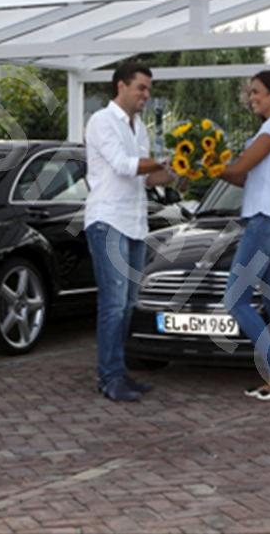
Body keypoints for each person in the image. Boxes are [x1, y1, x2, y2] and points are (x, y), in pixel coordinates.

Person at [84, 61, 176, 403]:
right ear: (121, 86)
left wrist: (178, 171)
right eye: (141, 88)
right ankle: (108, 376)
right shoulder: (101, 122)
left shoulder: (140, 129)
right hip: (107, 221)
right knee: (113, 302)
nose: (146, 95)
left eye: (149, 89)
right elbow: (124, 165)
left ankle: (118, 372)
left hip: (135, 223)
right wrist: (168, 159)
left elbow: (147, 178)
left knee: (128, 304)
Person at [218, 70, 270, 401]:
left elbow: (238, 169)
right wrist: (211, 165)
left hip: (265, 221)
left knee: (235, 300)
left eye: (256, 91)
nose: (251, 97)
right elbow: (242, 179)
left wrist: (203, 162)